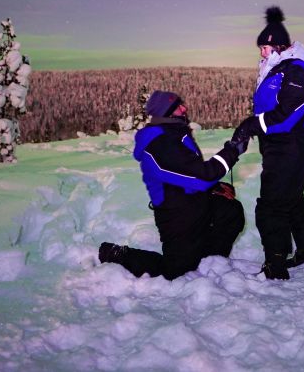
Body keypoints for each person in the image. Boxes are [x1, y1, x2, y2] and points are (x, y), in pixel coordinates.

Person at [98, 90, 248, 280]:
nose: (184, 108)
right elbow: (200, 176)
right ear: (166, 113)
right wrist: (232, 151)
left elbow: (187, 174)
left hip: (195, 203)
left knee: (230, 211)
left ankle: (210, 261)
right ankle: (118, 255)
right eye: (178, 107)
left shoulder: (175, 135)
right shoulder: (160, 144)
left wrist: (214, 187)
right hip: (177, 216)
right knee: (175, 271)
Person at [234, 6, 304, 280]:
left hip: (290, 143)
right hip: (280, 144)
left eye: (264, 48)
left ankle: (276, 263)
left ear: (278, 46)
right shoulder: (278, 68)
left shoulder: (295, 72)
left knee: (272, 205)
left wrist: (251, 125)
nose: (260, 53)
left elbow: (285, 116)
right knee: (292, 198)